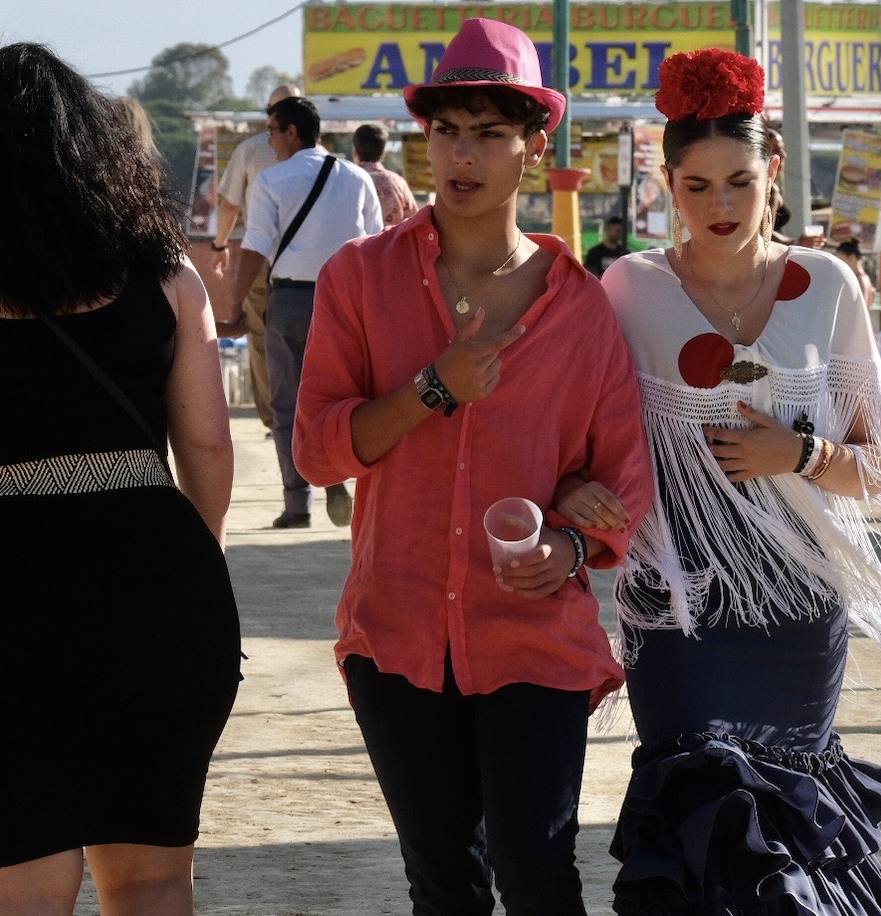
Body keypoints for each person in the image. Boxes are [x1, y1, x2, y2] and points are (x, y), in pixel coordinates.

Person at [561, 48, 881, 914]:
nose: (719, 204)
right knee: (697, 818)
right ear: (667, 184)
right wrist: (574, 485)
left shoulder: (828, 286)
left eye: (738, 180)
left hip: (799, 611)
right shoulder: (628, 290)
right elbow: (579, 429)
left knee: (784, 845)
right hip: (679, 605)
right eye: (696, 185)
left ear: (774, 172)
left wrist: (796, 456)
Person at [292, 19, 654, 915]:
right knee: (443, 883)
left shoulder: (580, 307)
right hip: (398, 632)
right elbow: (319, 447)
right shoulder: (359, 279)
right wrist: (432, 387)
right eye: (449, 130)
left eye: (491, 133)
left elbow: (624, 482)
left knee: (537, 877)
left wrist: (569, 550)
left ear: (534, 147)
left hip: (533, 636)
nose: (464, 154)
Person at [0, 43, 241, 915]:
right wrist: (190, 555)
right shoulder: (167, 276)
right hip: (156, 578)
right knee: (151, 881)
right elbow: (209, 451)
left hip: (13, 584)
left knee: (21, 885)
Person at [218, 96, 382, 530]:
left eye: (272, 130)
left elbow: (254, 248)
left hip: (291, 301)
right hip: (348, 301)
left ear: (292, 132)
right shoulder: (357, 178)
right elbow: (375, 245)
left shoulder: (272, 181)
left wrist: (235, 307)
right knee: (352, 397)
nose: (269, 141)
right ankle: (345, 479)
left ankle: (297, 503)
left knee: (289, 403)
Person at [211, 84, 303, 431]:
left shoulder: (251, 150)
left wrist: (220, 246)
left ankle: (275, 418)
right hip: (307, 259)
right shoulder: (320, 154)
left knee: (262, 336)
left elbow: (230, 205)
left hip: (261, 256)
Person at [352, 122, 420, 228]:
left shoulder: (349, 180)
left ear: (355, 150)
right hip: (393, 243)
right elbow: (414, 220)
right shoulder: (397, 182)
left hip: (357, 243)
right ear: (383, 152)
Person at [835, 236, 876, 306]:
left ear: (852, 257)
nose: (839, 264)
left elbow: (860, 308)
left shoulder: (859, 279)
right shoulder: (863, 278)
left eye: (841, 259)